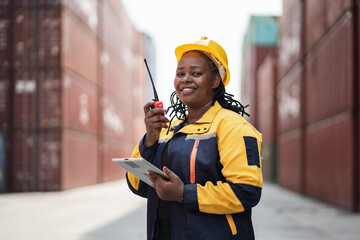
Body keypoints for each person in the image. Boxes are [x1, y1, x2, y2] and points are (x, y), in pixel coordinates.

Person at [126, 36, 263, 240]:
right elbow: (137, 186)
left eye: (196, 73)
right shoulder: (168, 129)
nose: (185, 79)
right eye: (180, 73)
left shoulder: (232, 126)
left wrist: (183, 193)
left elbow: (246, 191)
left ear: (216, 80)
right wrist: (149, 141)